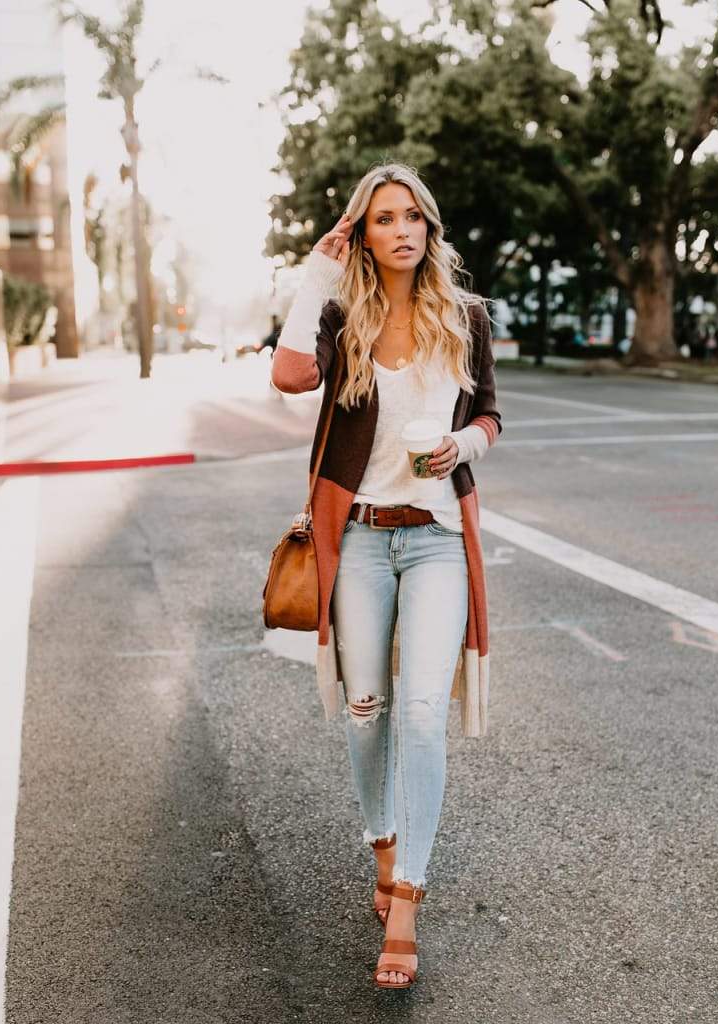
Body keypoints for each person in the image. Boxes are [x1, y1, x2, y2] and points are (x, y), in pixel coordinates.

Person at [270, 162, 502, 989]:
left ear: (429, 227)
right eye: (382, 219)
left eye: (412, 216)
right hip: (361, 540)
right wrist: (314, 276)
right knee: (366, 714)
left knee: (421, 722)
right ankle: (383, 843)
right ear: (363, 235)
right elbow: (289, 375)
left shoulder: (465, 314)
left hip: (437, 538)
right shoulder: (342, 315)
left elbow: (489, 414)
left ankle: (407, 896)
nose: (401, 230)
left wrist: (463, 447)